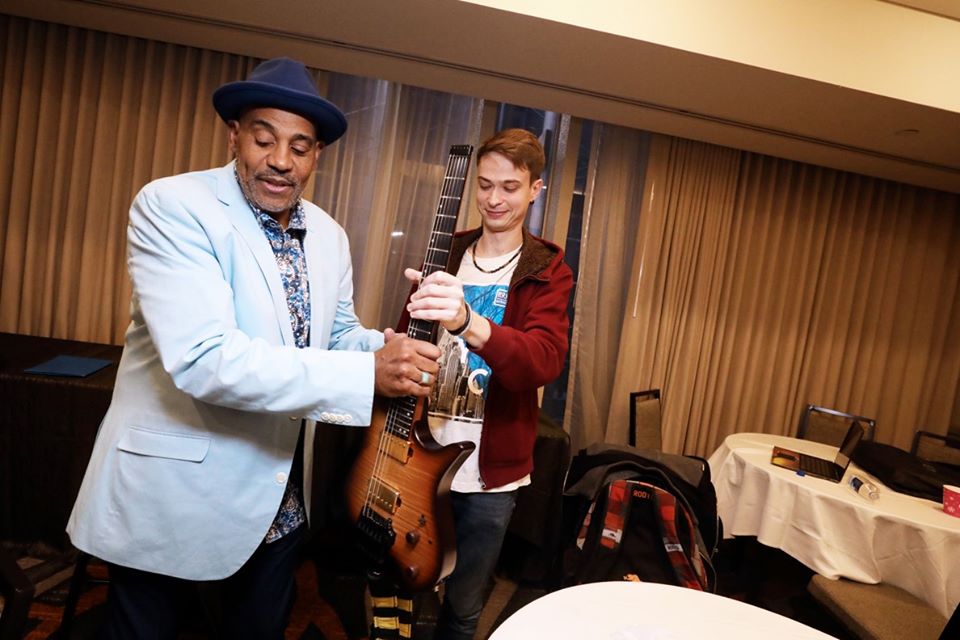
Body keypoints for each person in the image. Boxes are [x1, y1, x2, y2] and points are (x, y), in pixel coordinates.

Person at [66, 57, 441, 639]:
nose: (281, 161)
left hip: (279, 506)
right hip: (173, 497)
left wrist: (398, 347)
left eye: (300, 147)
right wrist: (370, 372)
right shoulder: (174, 205)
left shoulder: (329, 234)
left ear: (317, 155)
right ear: (235, 136)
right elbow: (205, 359)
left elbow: (335, 335)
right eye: (264, 140)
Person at [402, 128, 574, 639]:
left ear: (535, 189)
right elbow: (412, 333)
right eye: (484, 184)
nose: (494, 199)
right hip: (420, 455)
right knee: (405, 589)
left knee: (463, 607)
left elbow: (541, 362)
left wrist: (467, 321)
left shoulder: (548, 269)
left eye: (510, 187)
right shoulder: (447, 249)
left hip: (488, 476)